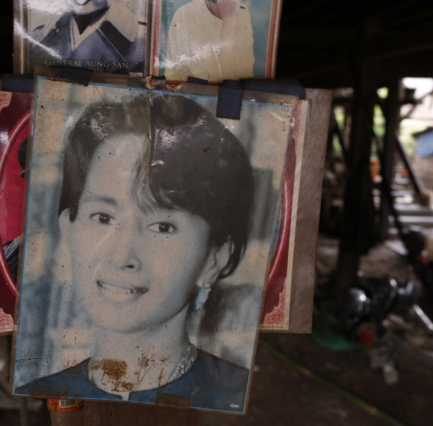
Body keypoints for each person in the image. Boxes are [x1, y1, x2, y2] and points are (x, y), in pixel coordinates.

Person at [15, 93, 255, 411]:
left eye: (162, 227)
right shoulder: (42, 390)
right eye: (103, 217)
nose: (121, 256)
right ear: (68, 229)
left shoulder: (239, 395)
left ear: (216, 258)